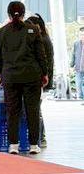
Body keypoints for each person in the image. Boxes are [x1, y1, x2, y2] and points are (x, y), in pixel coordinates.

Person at [0, 1, 48, 155]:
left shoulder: (0, 33)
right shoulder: (33, 30)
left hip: (10, 77)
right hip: (32, 76)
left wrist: (0, 73)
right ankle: (33, 145)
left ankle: (13, 145)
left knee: (12, 112)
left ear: (8, 14)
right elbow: (41, 55)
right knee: (33, 110)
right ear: (24, 14)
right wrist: (45, 73)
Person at [26, 14, 52, 147]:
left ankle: (41, 137)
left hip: (39, 80)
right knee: (36, 109)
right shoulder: (44, 38)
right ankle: (40, 137)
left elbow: (44, 62)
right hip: (41, 79)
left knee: (36, 110)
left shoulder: (42, 40)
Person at [71, 27, 84, 100]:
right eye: (81, 34)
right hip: (78, 68)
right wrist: (72, 64)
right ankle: (80, 98)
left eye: (83, 34)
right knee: (78, 84)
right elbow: (73, 54)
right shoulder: (76, 44)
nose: (82, 36)